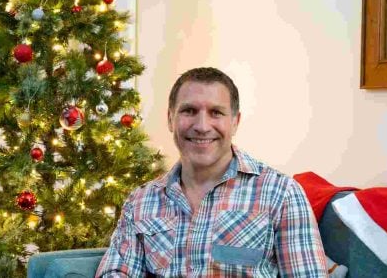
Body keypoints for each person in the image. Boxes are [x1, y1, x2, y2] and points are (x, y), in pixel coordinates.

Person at [96, 67, 328, 277]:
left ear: (235, 122)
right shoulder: (141, 201)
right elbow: (115, 273)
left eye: (216, 112)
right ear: (170, 119)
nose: (202, 126)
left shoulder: (281, 193)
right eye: (189, 111)